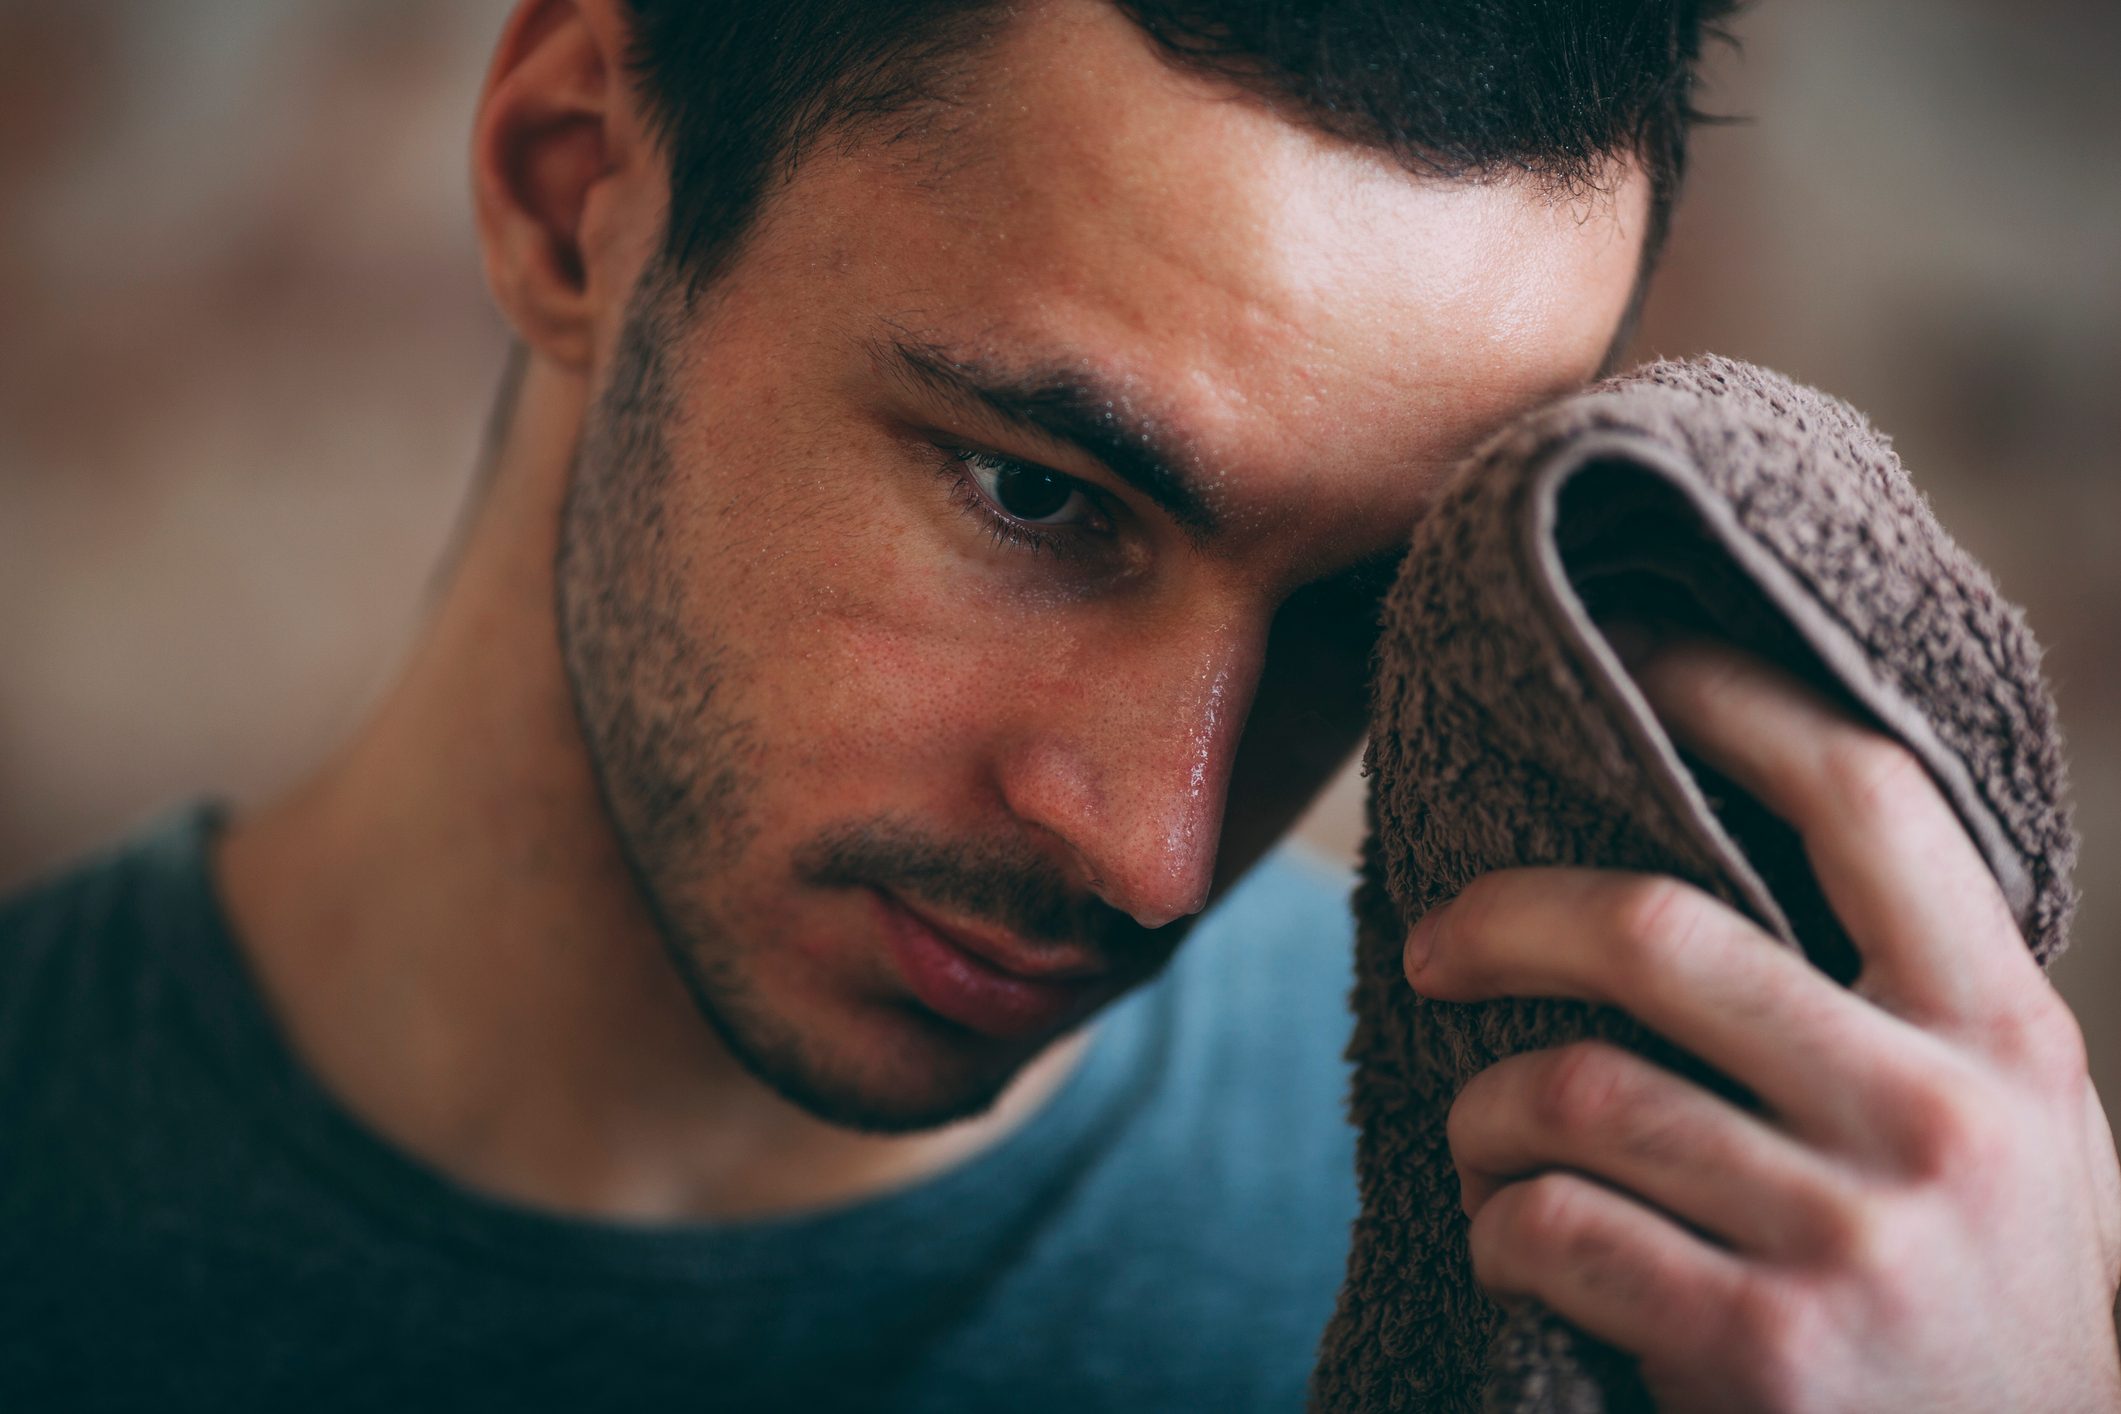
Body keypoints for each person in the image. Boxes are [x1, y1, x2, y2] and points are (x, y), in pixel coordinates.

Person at [2, 0, 2116, 1409]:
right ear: (575, 192)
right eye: (1038, 493)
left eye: (1356, 604)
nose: (1158, 842)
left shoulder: (1657, 1294)